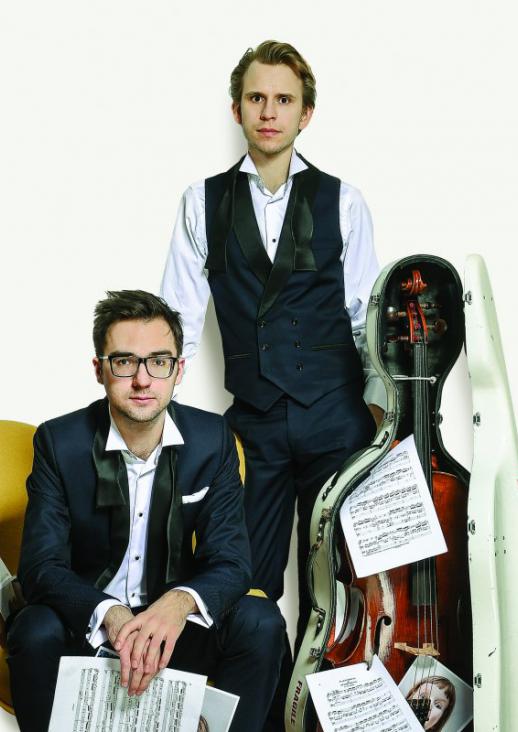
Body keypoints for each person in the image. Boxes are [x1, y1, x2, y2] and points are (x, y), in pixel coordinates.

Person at [161, 40, 386, 647]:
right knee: (244, 583)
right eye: (256, 97)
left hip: (338, 421)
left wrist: (378, 418)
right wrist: (154, 416)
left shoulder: (344, 199)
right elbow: (176, 321)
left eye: (283, 99)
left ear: (304, 113)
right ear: (237, 109)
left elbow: (366, 317)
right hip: (252, 427)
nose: (269, 111)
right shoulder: (199, 202)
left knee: (347, 584)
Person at [7, 290, 284, 732]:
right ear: (100, 370)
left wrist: (177, 604)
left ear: (178, 370)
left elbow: (232, 562)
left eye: (158, 361)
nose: (142, 380)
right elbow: (41, 567)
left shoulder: (212, 439)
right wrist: (110, 613)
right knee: (33, 630)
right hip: (89, 625)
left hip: (174, 631)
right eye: (124, 362)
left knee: (261, 622)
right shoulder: (60, 443)